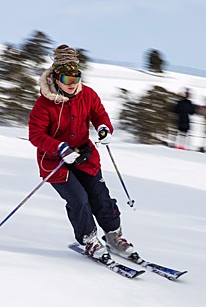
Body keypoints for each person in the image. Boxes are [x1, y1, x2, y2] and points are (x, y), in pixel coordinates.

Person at [28, 44, 134, 262]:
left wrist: (104, 128)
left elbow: (99, 115)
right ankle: (89, 239)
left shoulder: (87, 95)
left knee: (100, 197)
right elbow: (35, 135)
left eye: (76, 77)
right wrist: (59, 147)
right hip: (55, 162)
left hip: (84, 156)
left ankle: (114, 236)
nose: (72, 83)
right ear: (56, 78)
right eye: (67, 79)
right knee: (79, 199)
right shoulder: (44, 104)